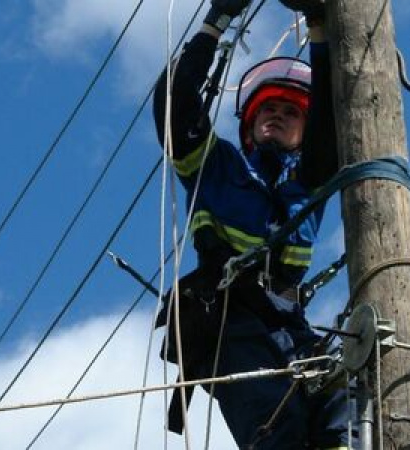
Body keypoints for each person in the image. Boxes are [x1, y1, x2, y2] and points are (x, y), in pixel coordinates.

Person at [152, 0, 351, 448]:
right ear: (250, 124)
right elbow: (177, 103)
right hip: (228, 319)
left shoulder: (306, 183)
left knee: (344, 395)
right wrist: (214, 24)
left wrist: (318, 25)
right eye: (268, 110)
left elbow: (331, 124)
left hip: (289, 326)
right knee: (274, 422)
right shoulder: (216, 166)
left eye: (291, 112)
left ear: (303, 131)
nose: (277, 115)